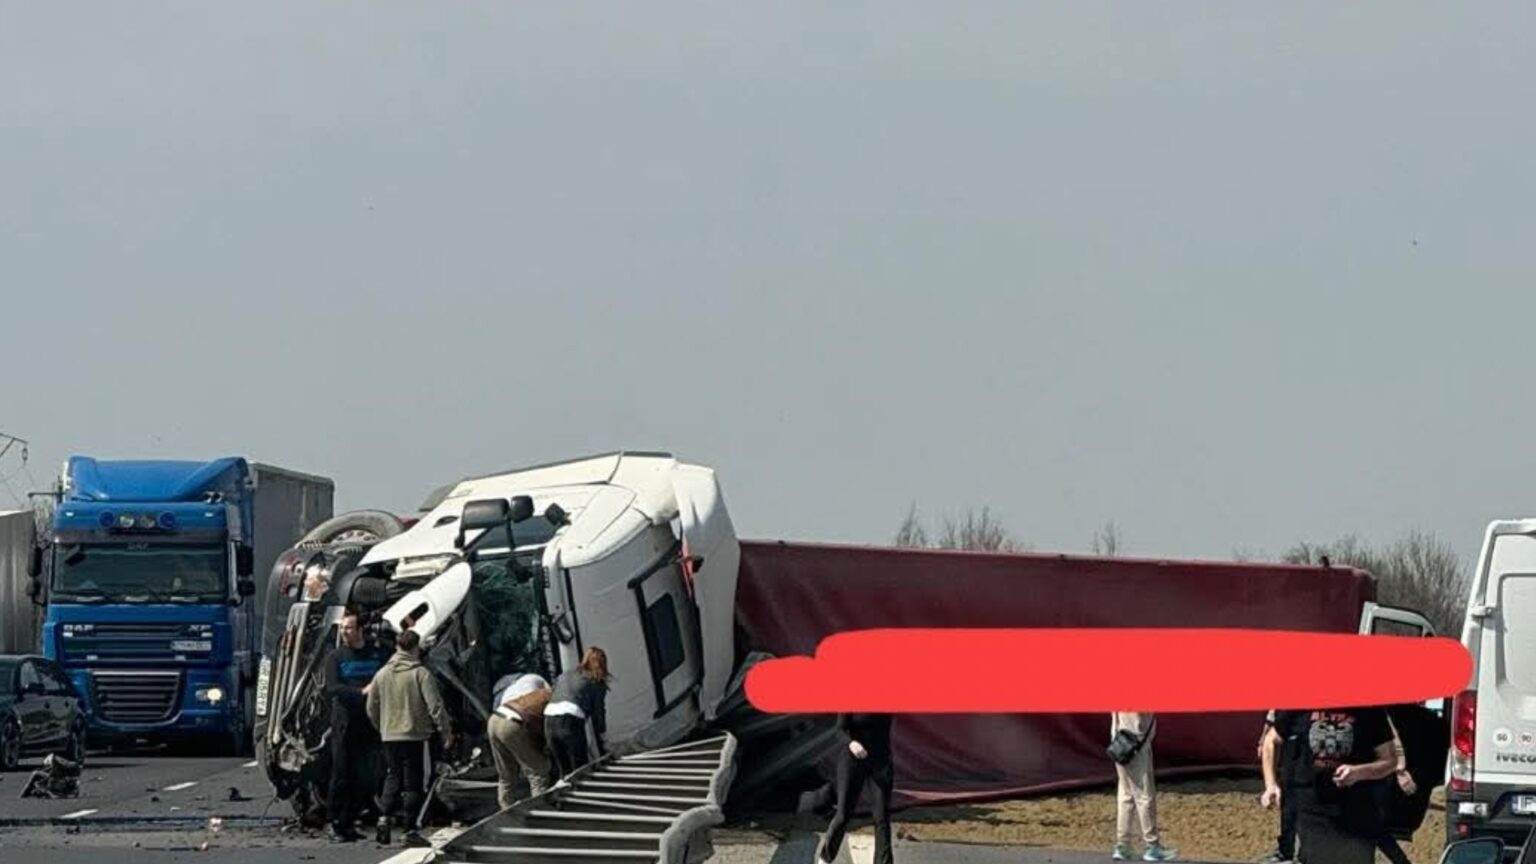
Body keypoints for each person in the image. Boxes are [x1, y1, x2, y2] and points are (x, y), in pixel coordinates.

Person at [1261, 707, 1396, 864]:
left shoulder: (1369, 710)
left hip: (1356, 810)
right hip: (1311, 809)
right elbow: (1271, 740)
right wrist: (1270, 784)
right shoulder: (1300, 705)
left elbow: (1390, 760)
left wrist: (1359, 772)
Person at [366, 628, 454, 847]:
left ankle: (383, 819)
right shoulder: (420, 674)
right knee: (414, 783)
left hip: (389, 735)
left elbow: (371, 706)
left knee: (392, 776)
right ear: (416, 648)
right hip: (415, 736)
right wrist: (446, 731)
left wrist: (381, 726)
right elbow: (435, 706)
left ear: (397, 646)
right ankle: (409, 830)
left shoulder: (382, 674)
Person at [323, 611, 386, 843]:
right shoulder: (336, 657)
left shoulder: (377, 654)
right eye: (343, 628)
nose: (344, 632)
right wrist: (360, 692)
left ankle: (350, 821)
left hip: (369, 721)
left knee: (364, 774)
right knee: (341, 772)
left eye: (349, 628)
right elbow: (333, 688)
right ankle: (333, 822)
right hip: (344, 721)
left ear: (360, 630)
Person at [817, 713, 895, 864]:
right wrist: (851, 743)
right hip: (852, 761)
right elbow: (839, 730)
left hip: (880, 762)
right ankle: (825, 858)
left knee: (882, 818)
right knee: (843, 814)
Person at [1111, 712, 1177, 862]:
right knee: (1144, 796)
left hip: (1119, 743)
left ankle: (1123, 845)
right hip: (1136, 745)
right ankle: (1152, 845)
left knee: (1125, 795)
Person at [487, 671, 555, 807]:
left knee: (506, 775)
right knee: (539, 772)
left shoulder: (510, 690)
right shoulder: (547, 693)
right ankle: (541, 812)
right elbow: (545, 727)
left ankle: (506, 811)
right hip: (514, 723)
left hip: (494, 720)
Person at [545, 647, 612, 778]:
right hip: (570, 721)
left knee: (564, 772)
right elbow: (598, 714)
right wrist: (603, 739)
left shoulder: (565, 675)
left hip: (548, 719)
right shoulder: (597, 682)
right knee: (581, 770)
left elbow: (554, 694)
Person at [1258, 710, 1298, 864]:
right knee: (1289, 811)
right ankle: (1285, 851)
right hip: (1293, 768)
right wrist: (1263, 741)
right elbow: (1272, 722)